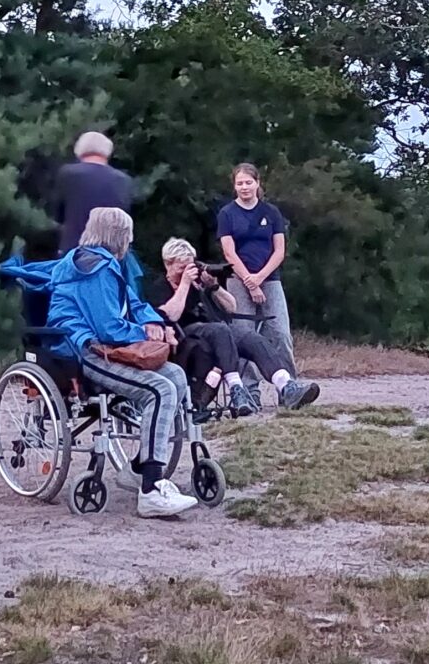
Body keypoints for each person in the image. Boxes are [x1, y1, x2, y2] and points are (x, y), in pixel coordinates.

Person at [42, 208, 200, 519]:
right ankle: (152, 491)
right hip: (86, 351)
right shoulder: (93, 269)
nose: (130, 240)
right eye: (128, 234)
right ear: (118, 236)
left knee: (177, 378)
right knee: (159, 390)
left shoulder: (107, 265)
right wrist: (144, 331)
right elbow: (109, 328)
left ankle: (140, 468)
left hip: (111, 349)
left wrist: (157, 322)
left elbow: (136, 304)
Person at [151, 237, 319, 415]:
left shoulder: (197, 285)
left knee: (249, 336)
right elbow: (170, 314)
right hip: (186, 337)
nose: (187, 271)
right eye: (182, 267)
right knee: (220, 329)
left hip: (215, 334)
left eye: (190, 266)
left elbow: (232, 307)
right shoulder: (158, 286)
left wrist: (214, 287)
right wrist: (184, 284)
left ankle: (286, 385)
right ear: (168, 264)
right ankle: (237, 390)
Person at [216, 163, 295, 360]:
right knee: (245, 336)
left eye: (248, 182)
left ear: (257, 183)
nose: (244, 187)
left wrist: (259, 278)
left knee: (281, 334)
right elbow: (229, 252)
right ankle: (249, 388)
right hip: (239, 279)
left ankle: (289, 384)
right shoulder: (227, 213)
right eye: (240, 183)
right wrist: (249, 282)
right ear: (234, 186)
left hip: (269, 278)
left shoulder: (271, 212)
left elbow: (279, 251)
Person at [52, 132, 134, 252]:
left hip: (75, 252)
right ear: (107, 152)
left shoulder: (68, 174)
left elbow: (59, 215)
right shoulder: (124, 180)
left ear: (80, 150)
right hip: (112, 254)